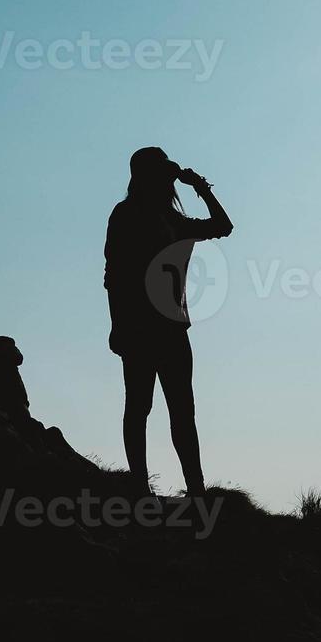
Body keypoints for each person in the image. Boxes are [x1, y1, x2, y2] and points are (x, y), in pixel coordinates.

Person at [104, 146, 233, 496]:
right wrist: (119, 325)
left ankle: (194, 490)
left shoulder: (171, 220)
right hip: (145, 327)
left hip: (168, 327)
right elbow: (113, 275)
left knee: (175, 410)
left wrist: (200, 187)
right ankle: (144, 486)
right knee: (144, 406)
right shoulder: (128, 214)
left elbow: (224, 226)